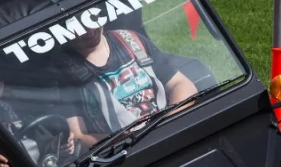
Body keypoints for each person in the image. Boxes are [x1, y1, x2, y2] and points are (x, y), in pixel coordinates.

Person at [63, 24, 198, 147]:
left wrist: (168, 123)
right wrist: (125, 141)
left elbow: (181, 84)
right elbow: (77, 137)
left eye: (89, 19)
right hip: (125, 152)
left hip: (170, 129)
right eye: (77, 25)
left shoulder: (130, 40)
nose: (88, 28)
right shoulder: (63, 73)